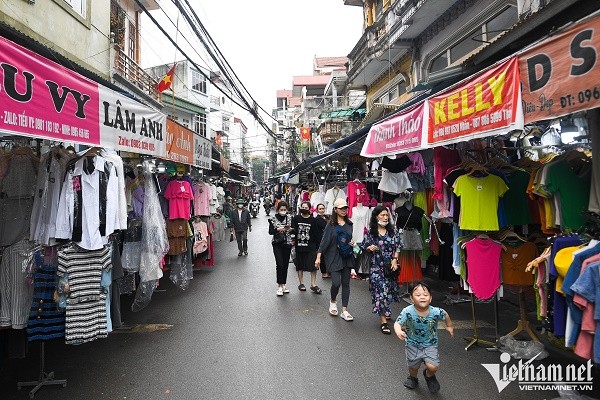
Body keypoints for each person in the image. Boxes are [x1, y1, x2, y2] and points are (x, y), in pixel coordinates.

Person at [394, 281, 454, 393]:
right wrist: (398, 331)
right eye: (418, 295)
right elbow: (398, 323)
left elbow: (445, 314)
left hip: (430, 344)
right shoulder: (407, 311)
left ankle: (429, 375)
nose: (422, 297)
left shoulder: (435, 311)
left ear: (430, 298)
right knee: (413, 366)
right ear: (411, 298)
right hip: (412, 344)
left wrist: (449, 326)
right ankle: (413, 378)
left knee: (433, 367)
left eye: (425, 295)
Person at [360, 206, 402, 334]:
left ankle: (386, 309)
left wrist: (395, 259)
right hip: (376, 267)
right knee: (380, 292)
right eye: (382, 215)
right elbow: (364, 246)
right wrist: (369, 248)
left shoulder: (392, 231)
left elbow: (398, 246)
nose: (385, 217)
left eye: (386, 215)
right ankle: (383, 321)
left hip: (390, 267)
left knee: (389, 291)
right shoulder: (371, 232)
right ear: (376, 216)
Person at [315, 198, 355, 321]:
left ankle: (344, 310)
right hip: (333, 257)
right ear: (335, 209)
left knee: (346, 284)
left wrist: (352, 243)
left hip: (347, 256)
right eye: (341, 208)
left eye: (345, 208)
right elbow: (324, 242)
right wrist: (318, 256)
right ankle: (333, 301)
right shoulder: (330, 225)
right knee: (336, 283)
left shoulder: (350, 224)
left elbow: (350, 239)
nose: (344, 210)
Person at [291, 201, 322, 294]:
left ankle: (313, 284)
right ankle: (301, 283)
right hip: (299, 245)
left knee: (313, 265)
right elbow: (293, 231)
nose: (304, 209)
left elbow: (317, 234)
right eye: (302, 207)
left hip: (311, 246)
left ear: (309, 209)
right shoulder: (296, 218)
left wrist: (318, 247)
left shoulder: (313, 220)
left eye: (306, 208)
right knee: (299, 265)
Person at [269, 201, 294, 296]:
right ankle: (279, 285)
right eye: (281, 210)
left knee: (285, 264)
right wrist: (278, 229)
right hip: (277, 243)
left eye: (285, 209)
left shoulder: (290, 218)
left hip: (287, 243)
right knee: (279, 264)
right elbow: (270, 231)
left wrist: (290, 229)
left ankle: (284, 284)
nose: (283, 211)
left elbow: (294, 230)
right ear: (278, 209)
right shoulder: (272, 219)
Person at [313, 203, 329, 279]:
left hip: (328, 238)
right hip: (321, 238)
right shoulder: (317, 219)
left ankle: (328, 270)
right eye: (320, 209)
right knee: (322, 256)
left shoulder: (326, 217)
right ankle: (324, 272)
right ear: (317, 210)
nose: (322, 210)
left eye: (323, 208)